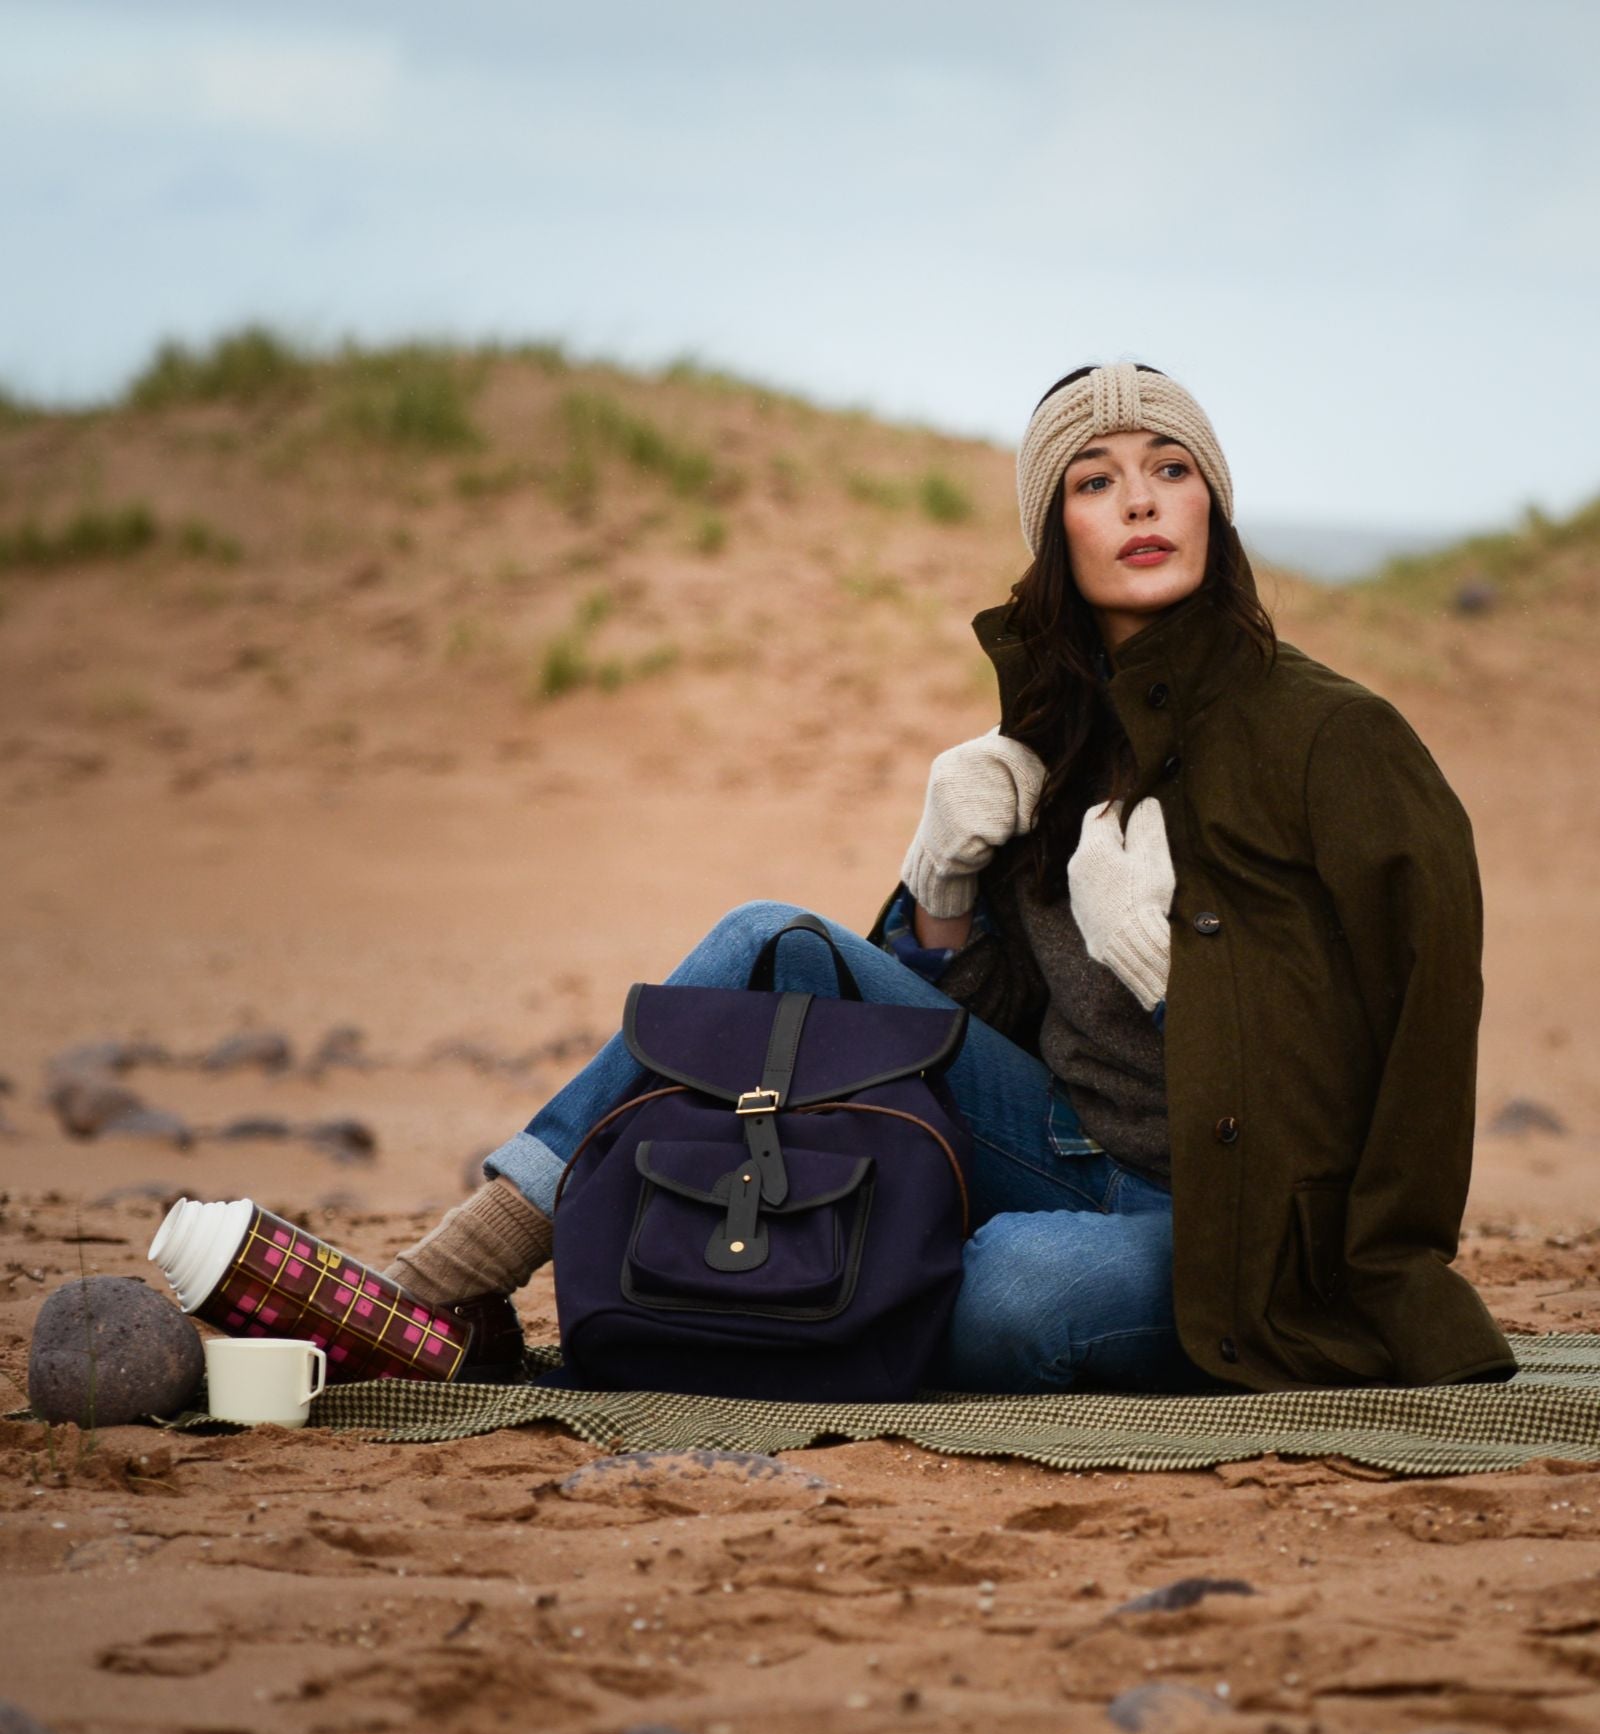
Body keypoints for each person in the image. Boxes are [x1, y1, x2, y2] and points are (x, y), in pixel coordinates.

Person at [385, 361, 1513, 1394]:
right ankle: (437, 1287)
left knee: (1011, 1290)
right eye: (1094, 479)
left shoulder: (1337, 739)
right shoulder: (1053, 733)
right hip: (1062, 1144)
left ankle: (757, 1298)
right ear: (1051, 529)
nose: (1140, 501)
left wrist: (1177, 979)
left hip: (1244, 1224)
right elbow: (965, 1033)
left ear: (1213, 506)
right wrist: (940, 893)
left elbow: (1418, 1033)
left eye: (1172, 471)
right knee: (770, 940)